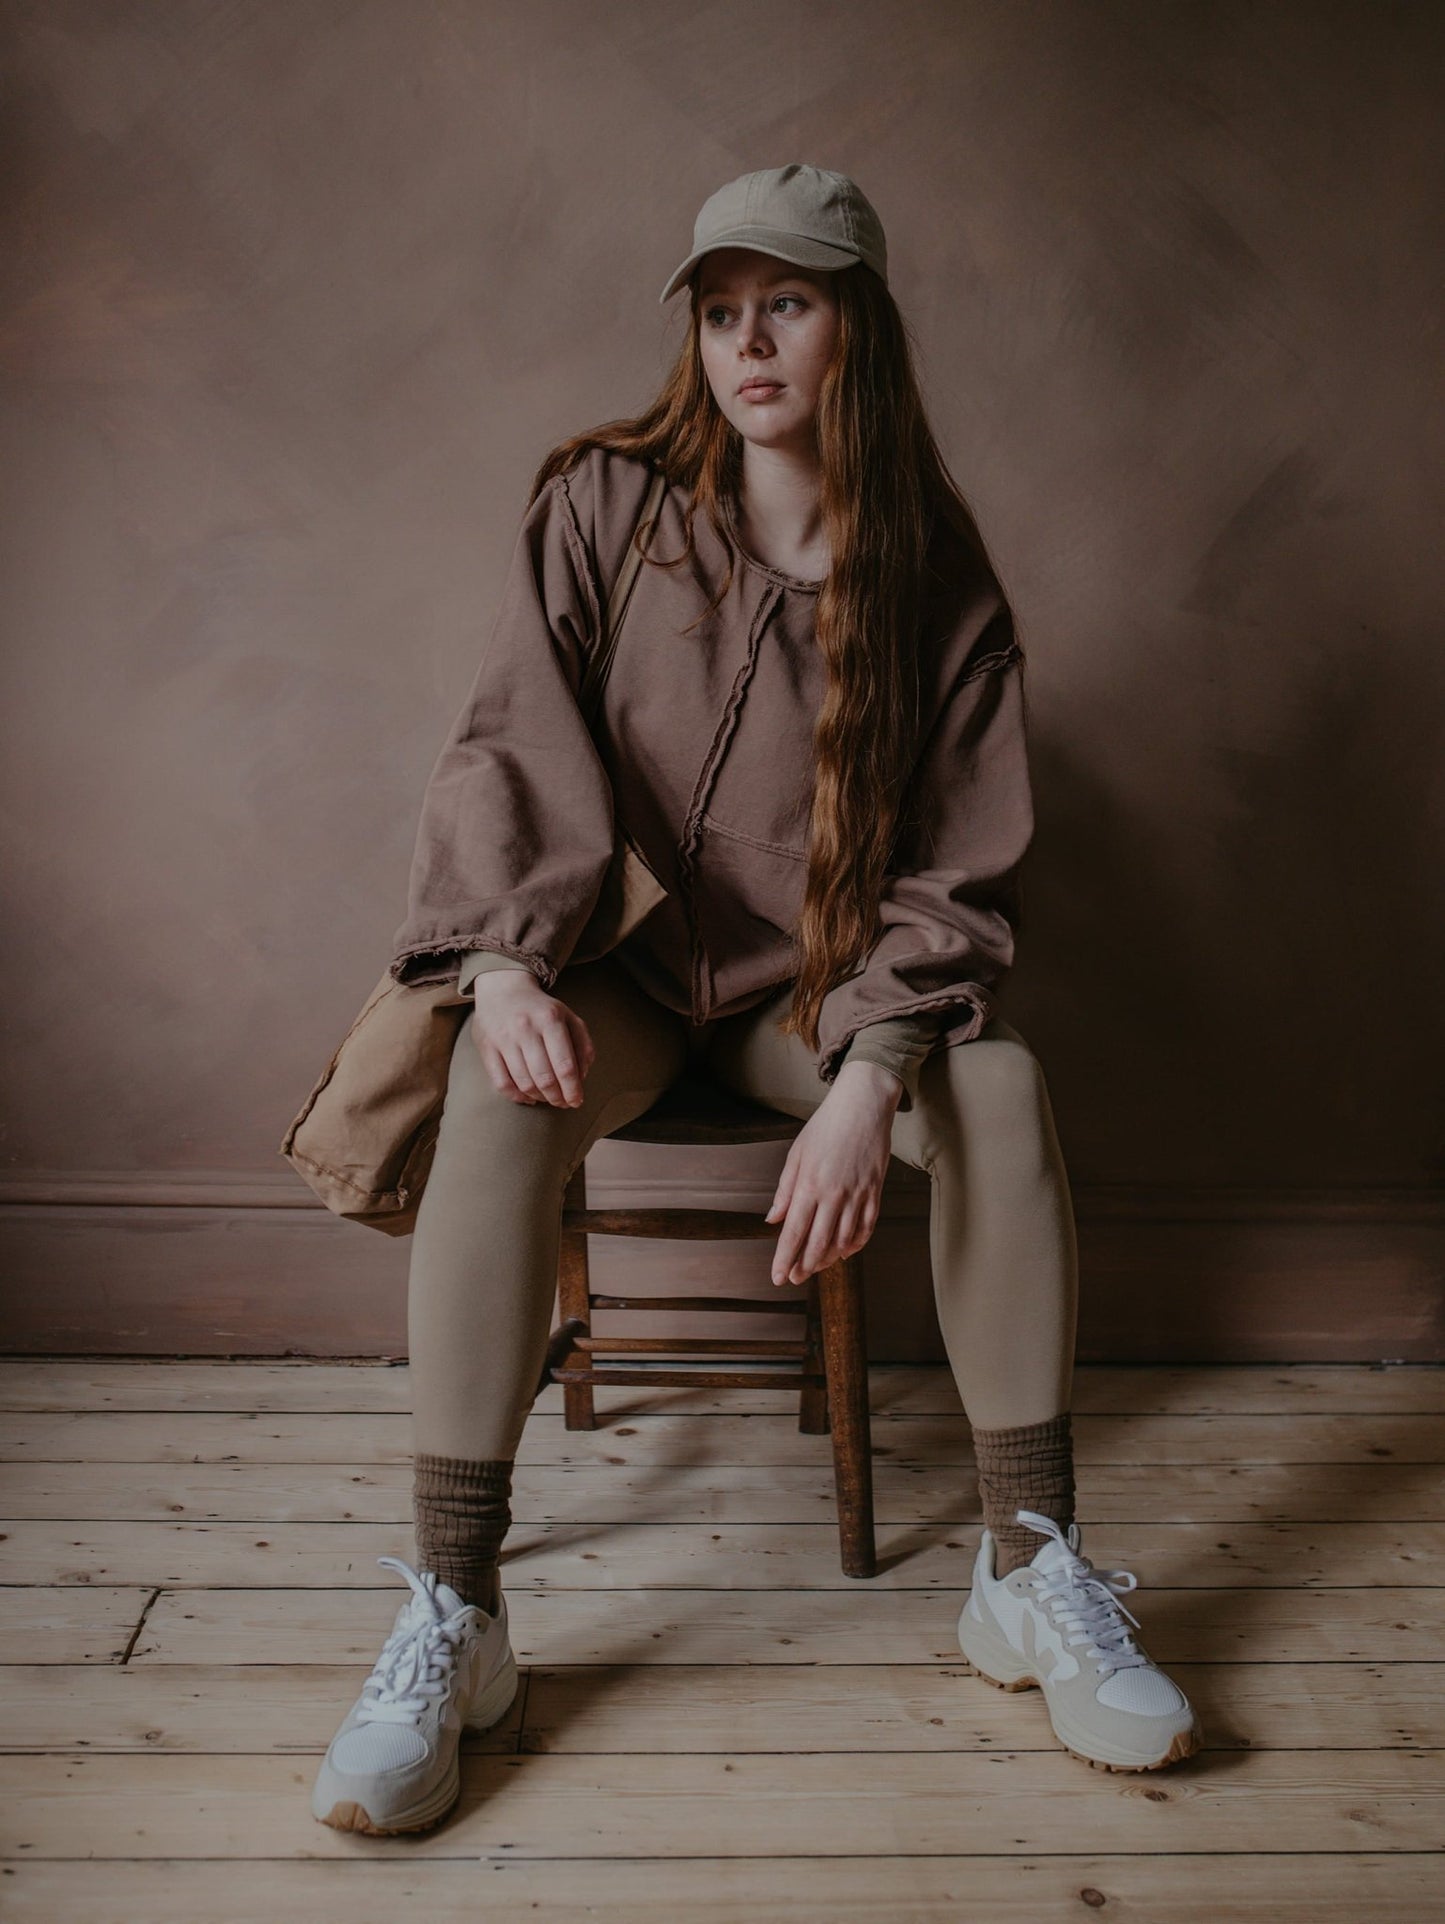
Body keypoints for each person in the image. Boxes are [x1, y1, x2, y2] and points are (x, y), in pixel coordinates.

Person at [311, 164, 1202, 1835]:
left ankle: (1026, 1566)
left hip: (820, 999)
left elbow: (955, 865)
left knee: (996, 1086)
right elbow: (507, 742)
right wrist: (503, 966)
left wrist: (869, 1076)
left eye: (785, 303)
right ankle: (457, 1609)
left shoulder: (933, 575)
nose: (748, 342)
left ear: (857, 325)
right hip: (627, 978)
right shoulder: (602, 503)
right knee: (496, 1080)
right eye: (721, 312)